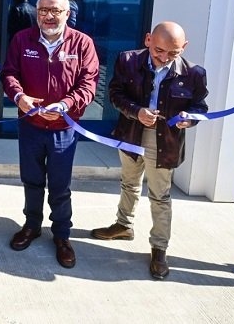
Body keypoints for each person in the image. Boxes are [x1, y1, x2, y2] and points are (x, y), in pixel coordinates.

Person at [90, 22, 208, 279]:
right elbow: (115, 94)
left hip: (164, 140)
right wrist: (137, 111)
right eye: (158, 51)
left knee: (160, 196)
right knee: (129, 183)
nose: (164, 58)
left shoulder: (194, 73)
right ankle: (123, 225)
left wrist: (190, 119)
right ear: (147, 40)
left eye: (173, 53)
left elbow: (200, 107)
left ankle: (159, 249)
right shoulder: (127, 60)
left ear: (184, 47)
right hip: (131, 133)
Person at [1, 0, 99, 268]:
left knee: (60, 185)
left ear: (68, 13)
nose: (48, 16)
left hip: (64, 128)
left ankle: (62, 235)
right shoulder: (22, 40)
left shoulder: (82, 44)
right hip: (30, 125)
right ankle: (32, 226)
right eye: (43, 10)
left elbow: (89, 83)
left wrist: (67, 104)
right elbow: (9, 73)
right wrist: (19, 97)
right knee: (31, 180)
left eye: (55, 10)